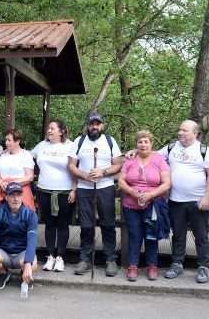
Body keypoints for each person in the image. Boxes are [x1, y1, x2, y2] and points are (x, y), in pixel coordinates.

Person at [157, 120, 209, 283]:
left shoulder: (203, 150)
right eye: (179, 130)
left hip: (198, 201)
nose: (180, 133)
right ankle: (177, 264)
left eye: (184, 130)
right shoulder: (171, 147)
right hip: (175, 200)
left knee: (201, 236)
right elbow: (152, 156)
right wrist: (134, 150)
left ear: (195, 133)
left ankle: (204, 267)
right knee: (178, 235)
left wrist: (207, 198)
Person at [67, 111, 122, 276]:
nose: (94, 127)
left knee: (108, 223)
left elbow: (118, 165)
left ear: (102, 126)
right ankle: (84, 259)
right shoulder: (79, 141)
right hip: (84, 188)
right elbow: (71, 165)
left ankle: (111, 259)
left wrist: (103, 172)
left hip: (105, 187)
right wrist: (85, 175)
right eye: (91, 124)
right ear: (87, 126)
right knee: (85, 225)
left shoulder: (110, 141)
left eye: (97, 124)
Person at [118, 130, 171, 281]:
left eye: (146, 141)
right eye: (140, 142)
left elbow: (167, 183)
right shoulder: (130, 160)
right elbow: (121, 180)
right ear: (136, 144)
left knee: (151, 236)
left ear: (151, 143)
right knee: (134, 236)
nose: (143, 144)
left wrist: (150, 195)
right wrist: (131, 191)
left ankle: (152, 266)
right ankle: (133, 266)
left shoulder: (159, 160)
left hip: (153, 204)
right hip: (131, 205)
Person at [31, 119, 75, 272]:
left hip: (64, 191)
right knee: (49, 223)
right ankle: (50, 256)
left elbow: (76, 168)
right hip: (44, 190)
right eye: (48, 128)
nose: (49, 130)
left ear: (61, 131)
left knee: (62, 224)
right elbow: (26, 156)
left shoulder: (70, 146)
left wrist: (74, 190)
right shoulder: (42, 145)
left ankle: (60, 257)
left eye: (52, 128)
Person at [0, 182, 38, 290]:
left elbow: (32, 241)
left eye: (19, 195)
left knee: (33, 263)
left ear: (22, 196)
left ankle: (24, 274)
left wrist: (28, 264)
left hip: (22, 254)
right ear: (6, 196)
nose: (16, 199)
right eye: (12, 195)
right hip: (4, 252)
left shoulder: (30, 214)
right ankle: (4, 273)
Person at [0, 129, 36, 212]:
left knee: (22, 219)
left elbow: (30, 177)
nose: (6, 143)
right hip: (4, 191)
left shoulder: (25, 155)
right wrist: (1, 183)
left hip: (20, 191)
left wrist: (11, 184)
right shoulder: (3, 156)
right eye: (6, 140)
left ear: (17, 141)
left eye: (9, 140)